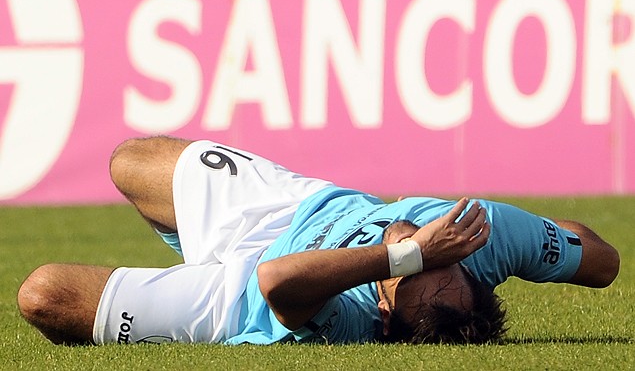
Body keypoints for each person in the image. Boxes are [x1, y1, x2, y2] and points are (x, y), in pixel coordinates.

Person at [17, 136, 620, 345]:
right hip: (297, 203)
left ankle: (197, 271)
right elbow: (602, 262)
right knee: (129, 161)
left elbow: (276, 283)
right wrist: (560, 248)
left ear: (385, 309)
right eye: (444, 260)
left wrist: (408, 255)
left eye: (411, 270)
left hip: (239, 297)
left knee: (43, 295)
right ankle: (203, 238)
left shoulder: (358, 324)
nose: (423, 242)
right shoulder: (477, 235)